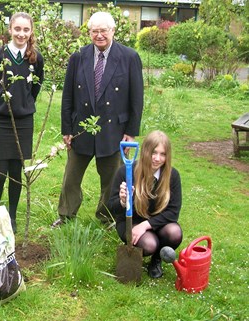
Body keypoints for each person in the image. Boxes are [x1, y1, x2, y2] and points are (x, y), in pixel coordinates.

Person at [52, 11, 144, 227]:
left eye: (104, 30)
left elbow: (136, 98)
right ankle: (66, 216)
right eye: (95, 31)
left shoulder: (129, 57)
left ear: (113, 31)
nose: (100, 35)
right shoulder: (78, 57)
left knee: (112, 180)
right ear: (89, 32)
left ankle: (107, 217)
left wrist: (130, 132)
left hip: (114, 130)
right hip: (81, 130)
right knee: (71, 178)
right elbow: (68, 96)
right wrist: (67, 128)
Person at [0, 12, 44, 234]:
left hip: (23, 122)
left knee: (16, 174)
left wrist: (24, 104)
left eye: (26, 30)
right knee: (0, 172)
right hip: (0, 121)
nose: (21, 33)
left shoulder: (35, 58)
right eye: (17, 29)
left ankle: (12, 216)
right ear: (10, 29)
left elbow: (36, 86)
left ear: (31, 31)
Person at [107, 130, 183, 278]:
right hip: (131, 221)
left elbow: (173, 213)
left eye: (163, 154)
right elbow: (111, 206)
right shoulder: (126, 172)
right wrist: (123, 202)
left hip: (157, 222)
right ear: (145, 151)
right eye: (154, 153)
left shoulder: (172, 176)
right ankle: (146, 251)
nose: (157, 158)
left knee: (174, 233)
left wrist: (146, 225)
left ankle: (156, 260)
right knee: (150, 244)